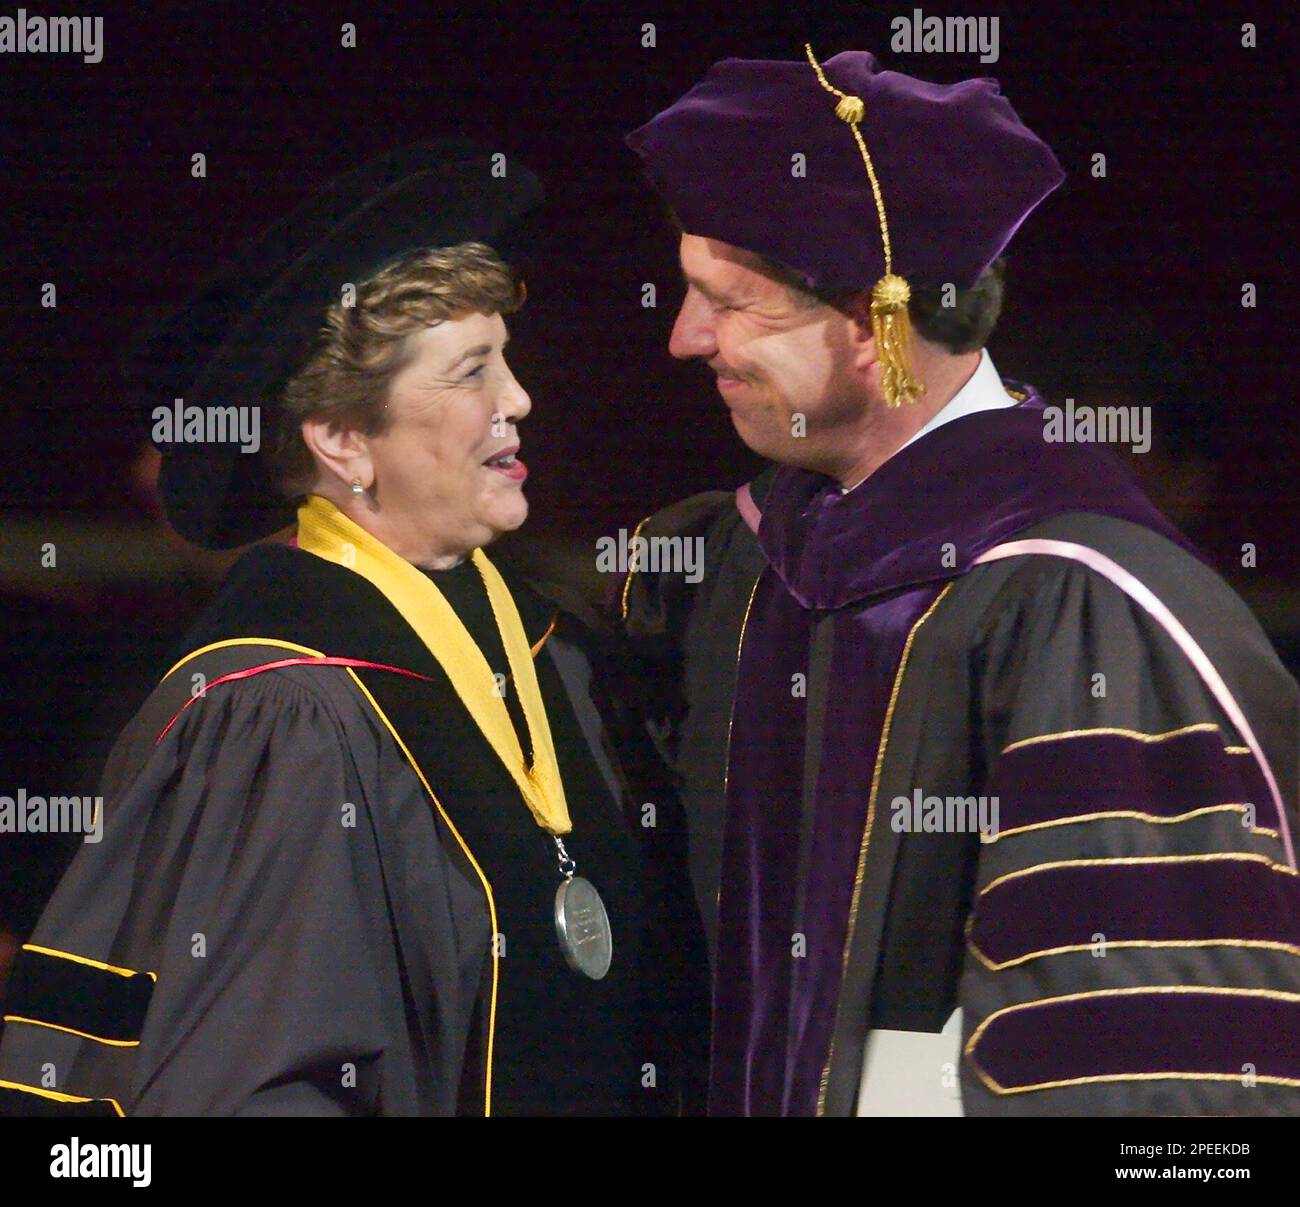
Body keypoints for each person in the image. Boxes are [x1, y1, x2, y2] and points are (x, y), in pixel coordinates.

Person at [615, 48, 1300, 1116]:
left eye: (725, 302)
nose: (684, 337)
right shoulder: (734, 566)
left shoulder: (1079, 605)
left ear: (867, 322)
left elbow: (1144, 1069)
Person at [0, 142, 706, 1117]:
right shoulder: (275, 716)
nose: (518, 401)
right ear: (340, 440)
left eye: (505, 358)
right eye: (470, 372)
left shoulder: (556, 653)